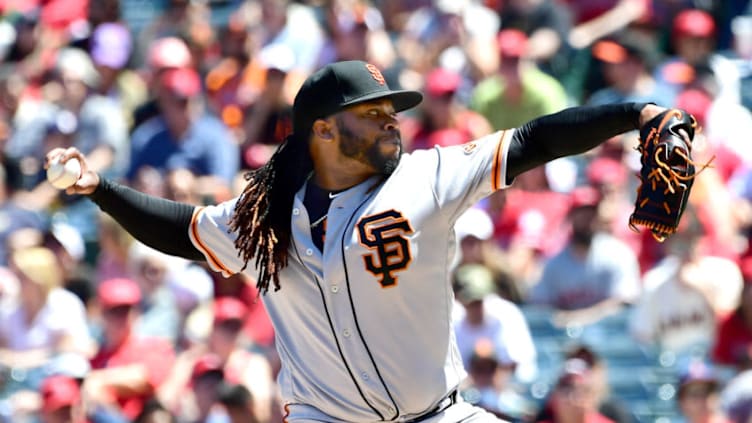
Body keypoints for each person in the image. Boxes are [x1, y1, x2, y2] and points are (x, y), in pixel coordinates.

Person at [48, 60, 679, 422]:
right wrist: (101, 187)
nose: (390, 120)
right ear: (323, 131)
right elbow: (184, 232)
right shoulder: (266, 214)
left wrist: (633, 115)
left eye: (391, 109)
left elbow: (533, 140)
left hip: (438, 415)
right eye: (371, 112)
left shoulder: (428, 177)